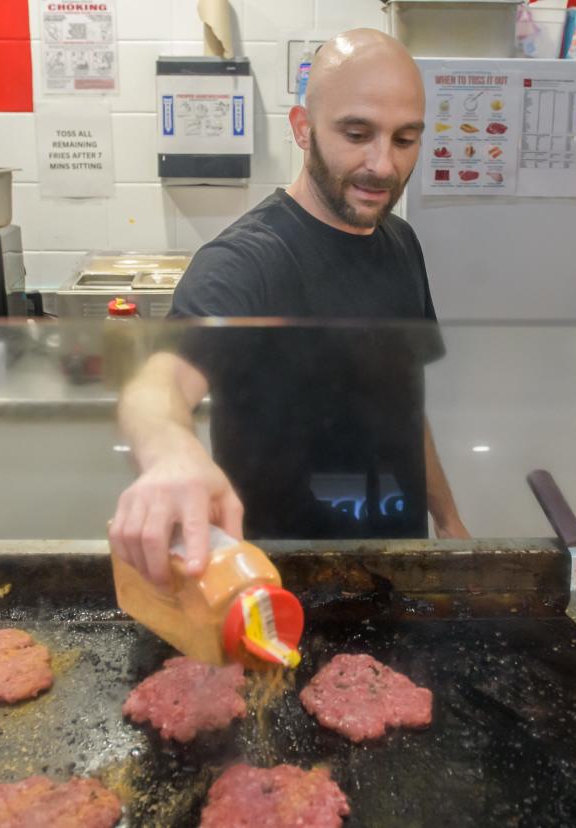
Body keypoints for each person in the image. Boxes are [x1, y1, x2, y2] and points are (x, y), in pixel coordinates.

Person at [109, 29, 469, 588]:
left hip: (395, 573)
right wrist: (171, 453)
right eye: (357, 134)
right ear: (303, 129)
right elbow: (157, 385)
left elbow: (403, 404)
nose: (382, 164)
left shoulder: (401, 243)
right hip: (278, 586)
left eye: (405, 140)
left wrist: (447, 522)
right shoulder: (246, 260)